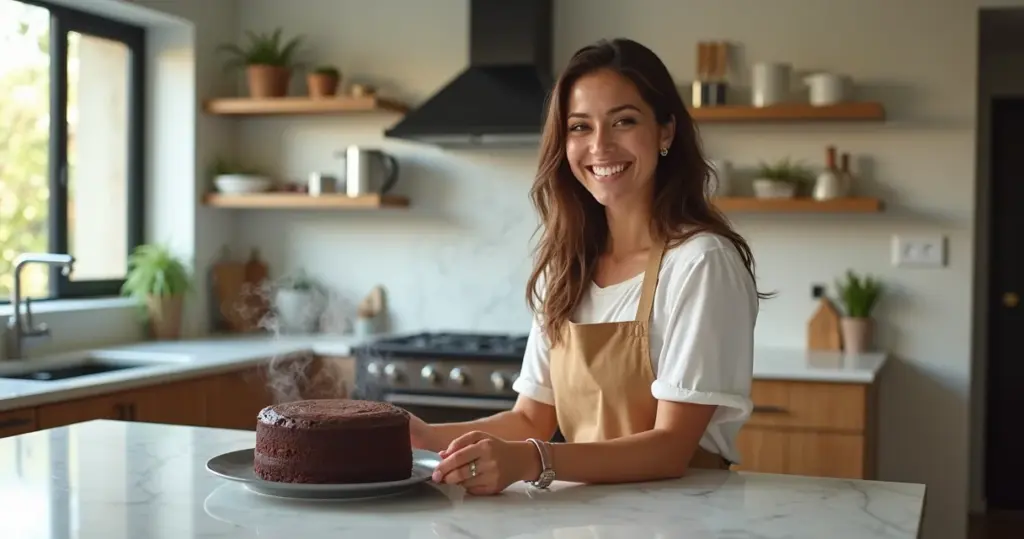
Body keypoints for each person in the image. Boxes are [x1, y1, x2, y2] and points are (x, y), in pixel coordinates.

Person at [407, 37, 767, 496]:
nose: (600, 145)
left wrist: (532, 460)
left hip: (682, 519)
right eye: (580, 127)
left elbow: (671, 447)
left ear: (665, 132)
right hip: (589, 516)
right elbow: (532, 418)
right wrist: (423, 436)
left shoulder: (701, 262)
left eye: (624, 121)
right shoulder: (568, 267)